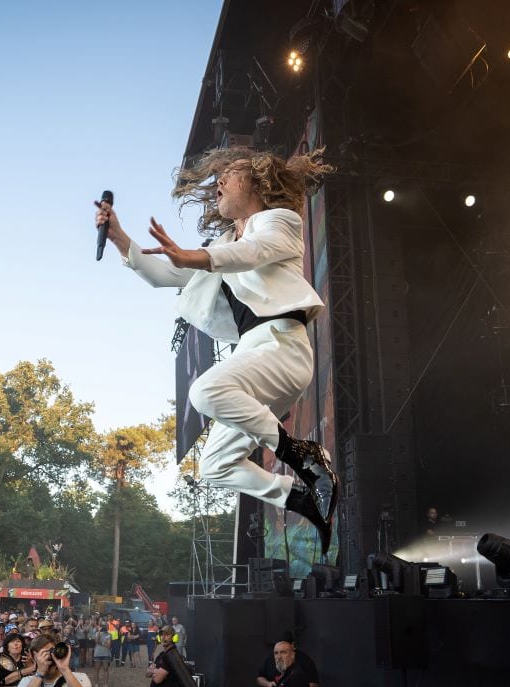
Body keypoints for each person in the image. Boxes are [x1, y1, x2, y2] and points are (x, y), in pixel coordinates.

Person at [96, 146, 339, 551]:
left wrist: (195, 255)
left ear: (258, 182)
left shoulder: (280, 221)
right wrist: (119, 236)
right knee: (215, 465)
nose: (220, 181)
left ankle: (303, 455)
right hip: (253, 355)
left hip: (282, 347)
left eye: (231, 173)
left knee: (205, 391)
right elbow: (164, 274)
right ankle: (301, 499)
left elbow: (252, 252)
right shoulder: (224, 243)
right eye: (218, 176)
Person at [16, 634, 91, 687]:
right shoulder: (26, 681)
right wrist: (40, 673)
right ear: (33, 657)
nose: (47, 657)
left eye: (50, 651)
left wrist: (65, 669)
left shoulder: (80, 678)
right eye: (42, 653)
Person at [92, 623, 112, 687]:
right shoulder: (97, 633)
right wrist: (99, 632)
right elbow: (96, 641)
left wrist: (101, 643)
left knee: (105, 669)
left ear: (107, 627)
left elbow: (109, 645)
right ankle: (96, 684)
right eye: (103, 626)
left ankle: (105, 684)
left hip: (106, 654)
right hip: (97, 654)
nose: (104, 628)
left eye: (105, 626)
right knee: (96, 669)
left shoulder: (109, 634)